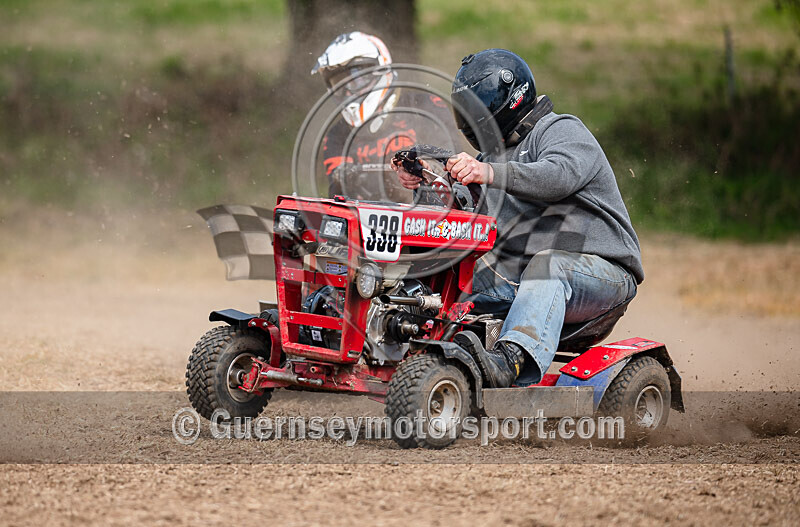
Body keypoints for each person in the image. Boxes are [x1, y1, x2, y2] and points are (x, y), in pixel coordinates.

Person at [393, 49, 644, 388]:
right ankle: (410, 353)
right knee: (453, 287)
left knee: (548, 266)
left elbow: (558, 177)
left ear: (510, 99)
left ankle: (511, 362)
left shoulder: (560, 130)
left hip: (603, 276)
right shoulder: (493, 159)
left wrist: (487, 171)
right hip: (527, 278)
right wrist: (427, 181)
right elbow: (466, 221)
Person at [312, 31, 455, 203]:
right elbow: (338, 189)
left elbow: (452, 163)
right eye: (340, 83)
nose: (349, 90)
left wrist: (426, 168)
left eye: (358, 79)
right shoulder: (337, 134)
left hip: (428, 217)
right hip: (365, 220)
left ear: (382, 69)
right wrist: (348, 177)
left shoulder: (423, 107)